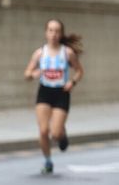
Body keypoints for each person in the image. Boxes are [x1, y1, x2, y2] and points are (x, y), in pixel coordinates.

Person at [24, 20, 83, 174]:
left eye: (57, 31)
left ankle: (62, 134)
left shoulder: (67, 53)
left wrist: (72, 82)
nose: (53, 34)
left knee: (55, 133)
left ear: (61, 34)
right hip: (44, 92)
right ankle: (48, 161)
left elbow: (79, 71)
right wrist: (33, 74)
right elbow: (27, 73)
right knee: (43, 131)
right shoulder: (39, 53)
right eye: (50, 30)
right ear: (46, 33)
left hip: (61, 93)